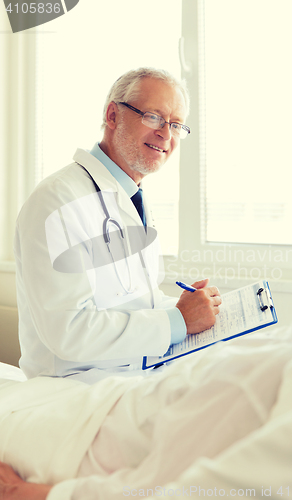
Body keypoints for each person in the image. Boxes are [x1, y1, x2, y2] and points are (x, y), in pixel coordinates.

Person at [1, 196, 292, 500]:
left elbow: (155, 487)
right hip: (89, 400)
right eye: (156, 123)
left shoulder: (254, 380)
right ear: (112, 124)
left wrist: (27, 493)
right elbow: (72, 330)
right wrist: (180, 316)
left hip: (81, 429)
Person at [14, 67, 221, 383]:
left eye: (176, 124)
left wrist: (192, 309)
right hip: (74, 392)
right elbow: (69, 332)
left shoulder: (131, 196)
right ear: (113, 115)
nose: (166, 134)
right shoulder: (58, 200)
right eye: (153, 117)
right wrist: (178, 321)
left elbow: (133, 302)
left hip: (131, 378)